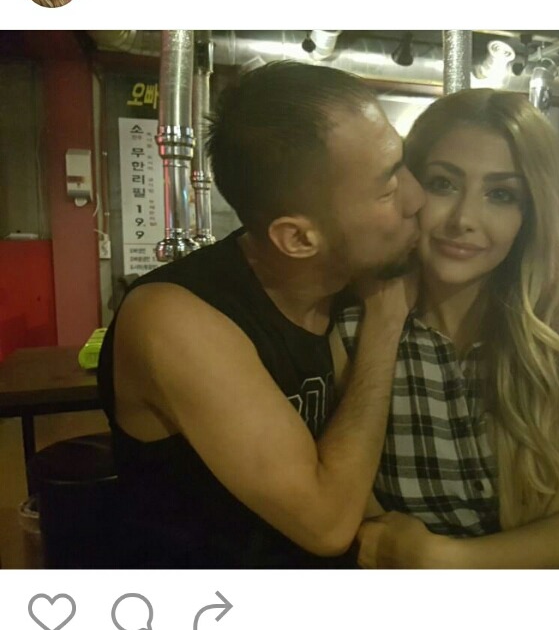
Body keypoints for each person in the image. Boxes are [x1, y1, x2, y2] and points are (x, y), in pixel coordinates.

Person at [98, 61, 423, 568]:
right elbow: (326, 526)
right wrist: (384, 323)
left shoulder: (350, 275)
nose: (417, 197)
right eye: (387, 189)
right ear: (298, 238)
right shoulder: (177, 320)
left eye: (403, 165)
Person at [343, 88, 559, 569]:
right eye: (443, 184)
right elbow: (354, 513)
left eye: (501, 194)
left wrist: (451, 561)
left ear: (530, 213)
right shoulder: (355, 324)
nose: (464, 220)